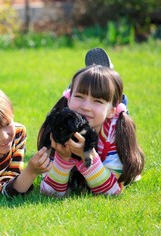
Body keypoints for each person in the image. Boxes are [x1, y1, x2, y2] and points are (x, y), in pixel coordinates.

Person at [38, 65, 145, 197]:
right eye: (79, 96)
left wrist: (87, 156)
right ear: (69, 98)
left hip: (106, 153)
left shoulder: (114, 136)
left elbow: (111, 192)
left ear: (112, 111)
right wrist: (63, 158)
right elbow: (49, 193)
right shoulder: (58, 127)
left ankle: (121, 104)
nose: (86, 107)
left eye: (97, 101)